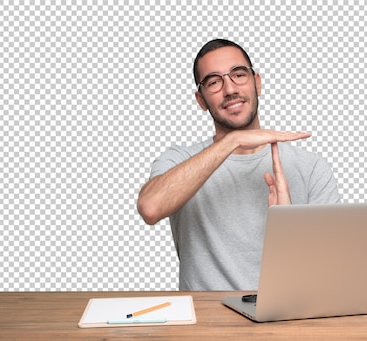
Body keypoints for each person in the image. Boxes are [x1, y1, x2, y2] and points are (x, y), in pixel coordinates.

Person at [137, 39, 341, 290]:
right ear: (201, 100)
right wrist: (231, 141)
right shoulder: (179, 160)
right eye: (214, 82)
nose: (230, 89)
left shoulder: (310, 168)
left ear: (257, 82)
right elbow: (150, 207)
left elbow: (331, 274)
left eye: (238, 74)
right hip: (205, 323)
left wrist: (288, 227)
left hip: (285, 319)